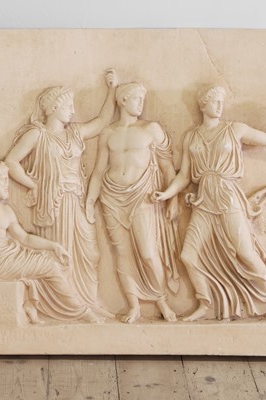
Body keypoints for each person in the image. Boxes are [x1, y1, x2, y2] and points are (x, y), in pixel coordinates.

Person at [0, 131, 102, 324]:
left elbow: (25, 238)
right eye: (4, 181)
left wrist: (53, 246)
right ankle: (81, 312)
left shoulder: (6, 211)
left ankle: (32, 304)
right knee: (50, 266)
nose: (7, 185)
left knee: (52, 260)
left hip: (8, 257)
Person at [152, 85, 266, 321]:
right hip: (203, 202)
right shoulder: (192, 137)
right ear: (203, 105)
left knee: (245, 252)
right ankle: (205, 303)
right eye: (215, 101)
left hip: (228, 198)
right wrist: (167, 194)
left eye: (222, 101)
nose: (220, 106)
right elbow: (184, 175)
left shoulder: (235, 129)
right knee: (188, 255)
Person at [5, 69, 118, 317]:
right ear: (54, 108)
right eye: (68, 106)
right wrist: (33, 185)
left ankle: (90, 301)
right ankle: (71, 307)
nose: (73, 111)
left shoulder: (75, 132)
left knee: (90, 254)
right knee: (61, 253)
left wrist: (111, 90)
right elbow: (11, 162)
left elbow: (102, 122)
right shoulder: (37, 134)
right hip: (54, 204)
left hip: (76, 200)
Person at [86, 82, 181, 323]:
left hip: (142, 196)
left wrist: (173, 199)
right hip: (111, 197)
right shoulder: (109, 133)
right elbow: (98, 171)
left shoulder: (151, 129)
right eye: (137, 98)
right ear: (123, 100)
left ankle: (161, 301)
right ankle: (134, 305)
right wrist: (90, 200)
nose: (141, 103)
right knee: (121, 253)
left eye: (143, 99)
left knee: (148, 252)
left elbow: (167, 166)